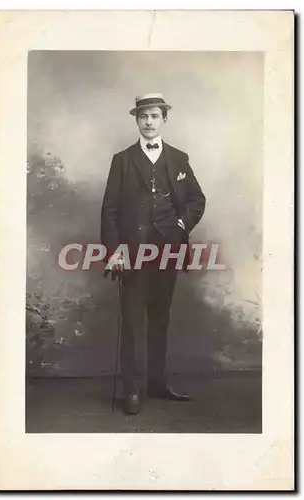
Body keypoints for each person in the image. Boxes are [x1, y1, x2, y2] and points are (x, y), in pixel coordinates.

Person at [101, 93, 206, 415]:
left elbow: (196, 200)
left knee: (160, 319)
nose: (149, 122)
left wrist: (181, 222)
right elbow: (110, 210)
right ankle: (133, 390)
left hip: (168, 252)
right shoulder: (122, 159)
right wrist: (113, 251)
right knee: (133, 321)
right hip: (132, 253)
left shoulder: (178, 158)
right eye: (143, 116)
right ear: (136, 120)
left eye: (154, 116)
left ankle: (157, 384)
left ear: (164, 120)